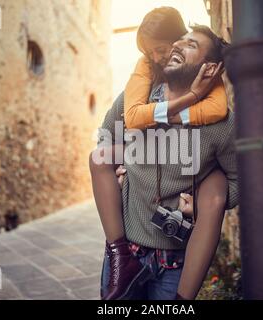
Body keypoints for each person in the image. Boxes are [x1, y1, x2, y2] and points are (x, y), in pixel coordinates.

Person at [90, 9, 236, 300]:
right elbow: (105, 136)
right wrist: (121, 163)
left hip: (176, 262)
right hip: (126, 256)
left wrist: (205, 202)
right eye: (180, 41)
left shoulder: (221, 123)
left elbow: (239, 180)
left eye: (191, 45)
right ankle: (119, 254)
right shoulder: (137, 98)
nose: (178, 46)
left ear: (209, 68)